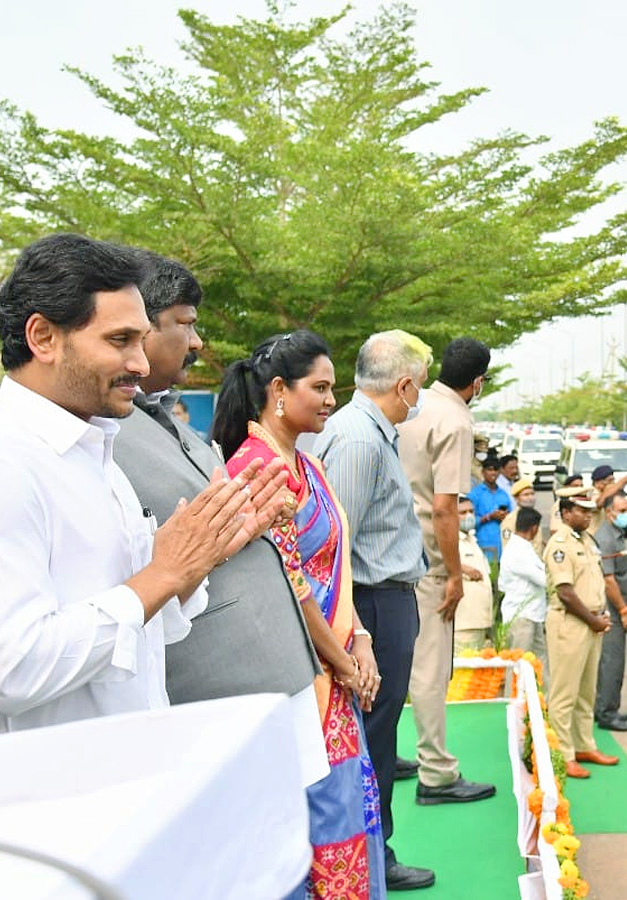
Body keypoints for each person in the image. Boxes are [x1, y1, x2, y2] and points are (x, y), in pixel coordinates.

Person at [0, 233, 284, 744]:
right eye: (120, 341)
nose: (141, 365)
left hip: (119, 778)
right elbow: (14, 668)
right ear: (43, 337)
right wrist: (163, 573)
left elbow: (137, 631)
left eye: (141, 340)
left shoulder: (95, 454)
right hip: (33, 802)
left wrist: (196, 562)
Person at [111, 253, 329, 806]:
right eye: (185, 324)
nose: (198, 342)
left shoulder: (167, 422)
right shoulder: (105, 433)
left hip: (267, 678)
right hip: (216, 691)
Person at [212, 330, 386, 900]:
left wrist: (358, 639)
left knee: (347, 811)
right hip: (297, 676)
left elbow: (334, 565)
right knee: (317, 820)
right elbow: (290, 585)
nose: (331, 399)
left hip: (333, 667)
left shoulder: (307, 465)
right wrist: (343, 663)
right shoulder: (255, 468)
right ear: (279, 390)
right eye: (321, 387)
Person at [311, 329, 436, 891]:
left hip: (383, 603)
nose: (421, 398)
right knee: (376, 734)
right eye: (421, 388)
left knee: (379, 729)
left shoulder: (365, 432)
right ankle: (375, 854)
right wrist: (355, 632)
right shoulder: (360, 441)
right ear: (404, 385)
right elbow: (338, 544)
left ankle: (371, 849)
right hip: (374, 607)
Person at [397, 337, 497, 809]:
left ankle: (392, 755)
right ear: (477, 382)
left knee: (396, 663)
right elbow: (444, 509)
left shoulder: (415, 403)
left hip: (390, 552)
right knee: (431, 671)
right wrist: (454, 574)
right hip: (427, 561)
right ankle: (436, 773)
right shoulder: (456, 419)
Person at [543, 495, 617, 780]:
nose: (587, 515)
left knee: (587, 690)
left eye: (589, 511)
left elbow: (593, 583)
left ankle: (584, 745)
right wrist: (592, 619)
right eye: (580, 511)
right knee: (564, 693)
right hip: (571, 622)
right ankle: (564, 754)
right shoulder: (561, 546)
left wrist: (601, 615)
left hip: (592, 621)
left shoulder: (586, 540)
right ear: (565, 513)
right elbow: (566, 592)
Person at [593, 494, 627, 733]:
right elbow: (609, 580)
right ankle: (607, 713)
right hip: (612, 613)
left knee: (608, 662)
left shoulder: (616, 535)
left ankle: (603, 707)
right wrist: (624, 611)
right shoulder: (607, 539)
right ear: (610, 512)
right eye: (623, 510)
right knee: (612, 662)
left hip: (617, 611)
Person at [498, 507, 549, 673]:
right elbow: (544, 579)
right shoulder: (516, 551)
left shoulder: (526, 548)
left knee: (538, 665)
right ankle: (513, 699)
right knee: (518, 667)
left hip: (534, 615)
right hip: (521, 617)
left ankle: (540, 699)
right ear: (534, 528)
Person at [454, 495, 493, 652]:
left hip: (481, 619)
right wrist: (463, 568)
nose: (468, 516)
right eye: (462, 512)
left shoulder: (472, 539)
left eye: (471, 511)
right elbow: (437, 564)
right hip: (464, 623)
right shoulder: (450, 542)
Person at [468, 457, 513, 564]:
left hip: (504, 542)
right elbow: (468, 522)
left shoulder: (503, 494)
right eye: (490, 469)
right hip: (483, 543)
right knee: (489, 575)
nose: (493, 473)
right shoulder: (475, 494)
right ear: (483, 472)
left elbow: (511, 518)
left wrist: (505, 516)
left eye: (496, 470)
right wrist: (490, 517)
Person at [500, 477, 542, 553]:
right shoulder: (511, 520)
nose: (530, 498)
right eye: (526, 495)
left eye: (532, 494)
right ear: (516, 498)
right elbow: (508, 547)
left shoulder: (534, 516)